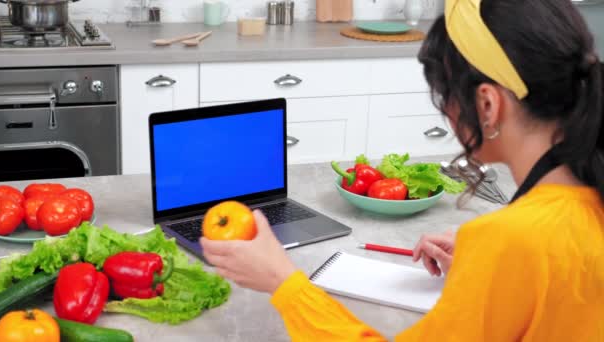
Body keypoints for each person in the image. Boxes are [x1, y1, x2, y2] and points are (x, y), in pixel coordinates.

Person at [200, 0, 604, 340]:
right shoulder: (580, 203)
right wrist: (488, 269)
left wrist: (284, 283)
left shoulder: (513, 239)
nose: (446, 112)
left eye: (444, 95)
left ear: (487, 105)